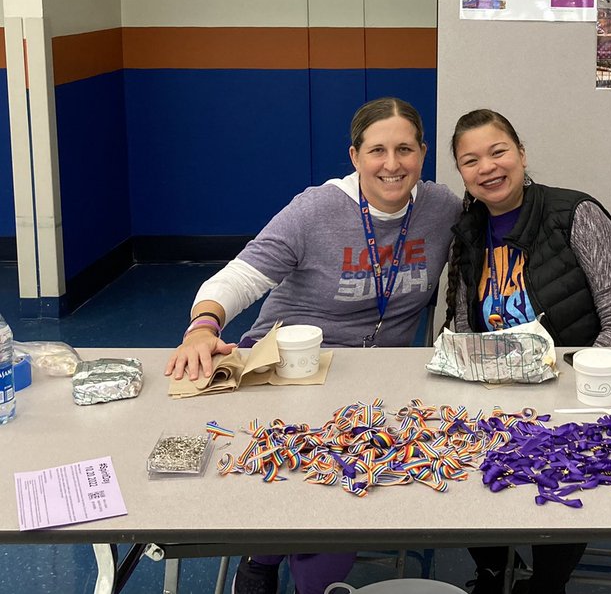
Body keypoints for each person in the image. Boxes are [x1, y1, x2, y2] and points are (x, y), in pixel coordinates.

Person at [163, 97, 461, 594]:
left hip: (373, 388)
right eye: (377, 150)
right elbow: (242, 274)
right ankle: (261, 558)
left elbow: (507, 227)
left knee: (336, 502)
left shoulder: (442, 208)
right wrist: (203, 326)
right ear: (354, 156)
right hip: (288, 372)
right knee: (297, 478)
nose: (392, 164)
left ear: (423, 154)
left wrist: (586, 245)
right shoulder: (317, 209)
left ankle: (296, 565)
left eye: (405, 149)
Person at [441, 109, 611, 594]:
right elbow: (460, 327)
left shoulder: (575, 214)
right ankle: (492, 571)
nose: (488, 168)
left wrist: (574, 389)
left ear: (521, 153)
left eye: (498, 152)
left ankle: (547, 582)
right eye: (471, 160)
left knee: (565, 454)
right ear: (461, 173)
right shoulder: (468, 231)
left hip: (577, 387)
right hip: (498, 390)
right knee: (462, 444)